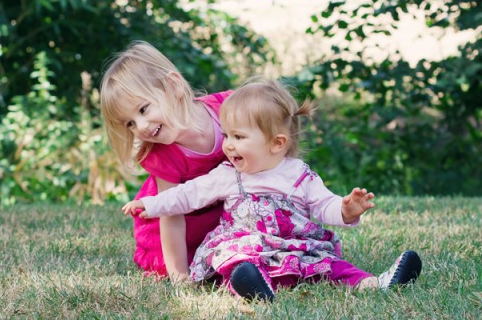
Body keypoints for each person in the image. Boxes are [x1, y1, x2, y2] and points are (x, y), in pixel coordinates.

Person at [122, 77, 422, 302]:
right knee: (238, 262)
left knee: (329, 264)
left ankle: (375, 283)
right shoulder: (227, 174)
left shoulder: (297, 174)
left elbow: (322, 204)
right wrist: (152, 204)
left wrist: (344, 209)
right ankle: (253, 290)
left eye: (238, 137)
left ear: (277, 143)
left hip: (293, 244)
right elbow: (187, 195)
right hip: (248, 243)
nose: (228, 145)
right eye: (227, 135)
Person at [100, 41, 234, 281]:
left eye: (143, 109)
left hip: (226, 216)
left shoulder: (227, 110)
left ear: (173, 86)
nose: (140, 126)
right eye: (130, 123)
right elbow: (171, 216)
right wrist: (179, 275)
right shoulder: (164, 155)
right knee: (206, 264)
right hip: (185, 228)